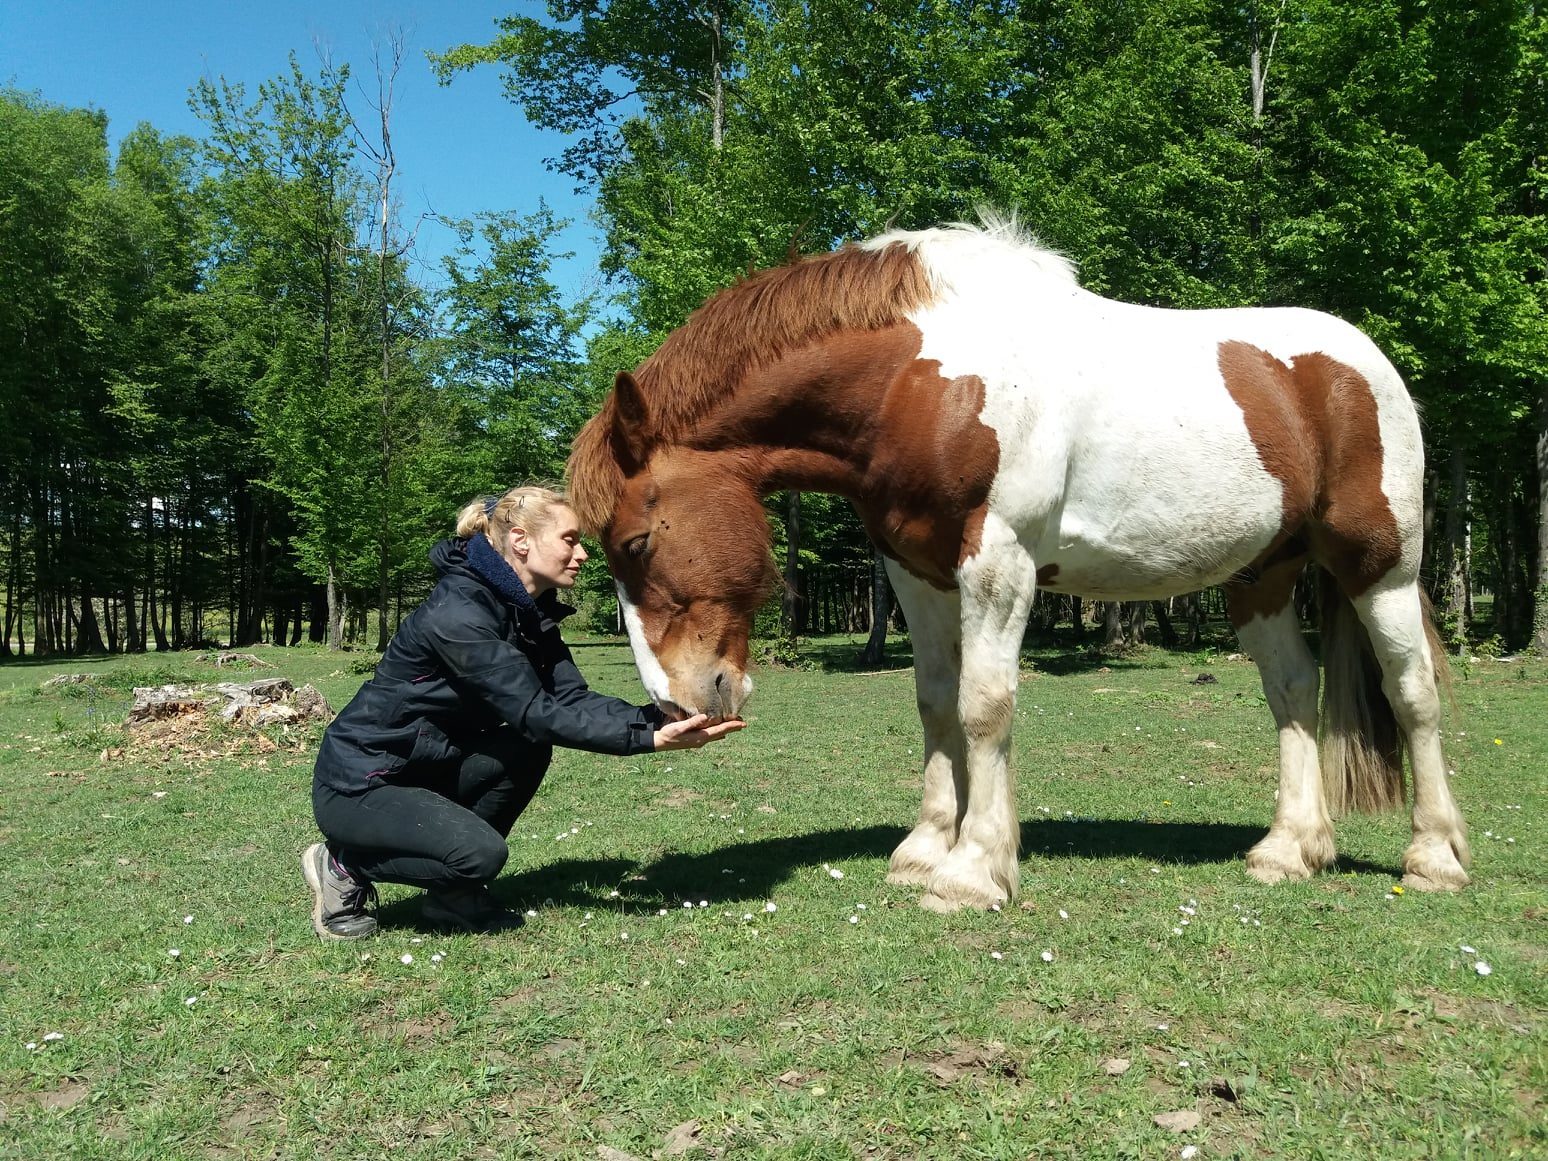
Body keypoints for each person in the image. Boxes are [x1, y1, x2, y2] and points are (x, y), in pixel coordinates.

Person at [303, 485, 743, 939]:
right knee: (479, 855)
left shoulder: (524, 612)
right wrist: (645, 740)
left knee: (526, 748)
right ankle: (343, 863)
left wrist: (662, 721)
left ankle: (452, 896)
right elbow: (533, 710)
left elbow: (568, 700)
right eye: (570, 539)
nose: (583, 554)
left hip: (425, 768)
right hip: (363, 782)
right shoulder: (459, 614)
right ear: (521, 541)